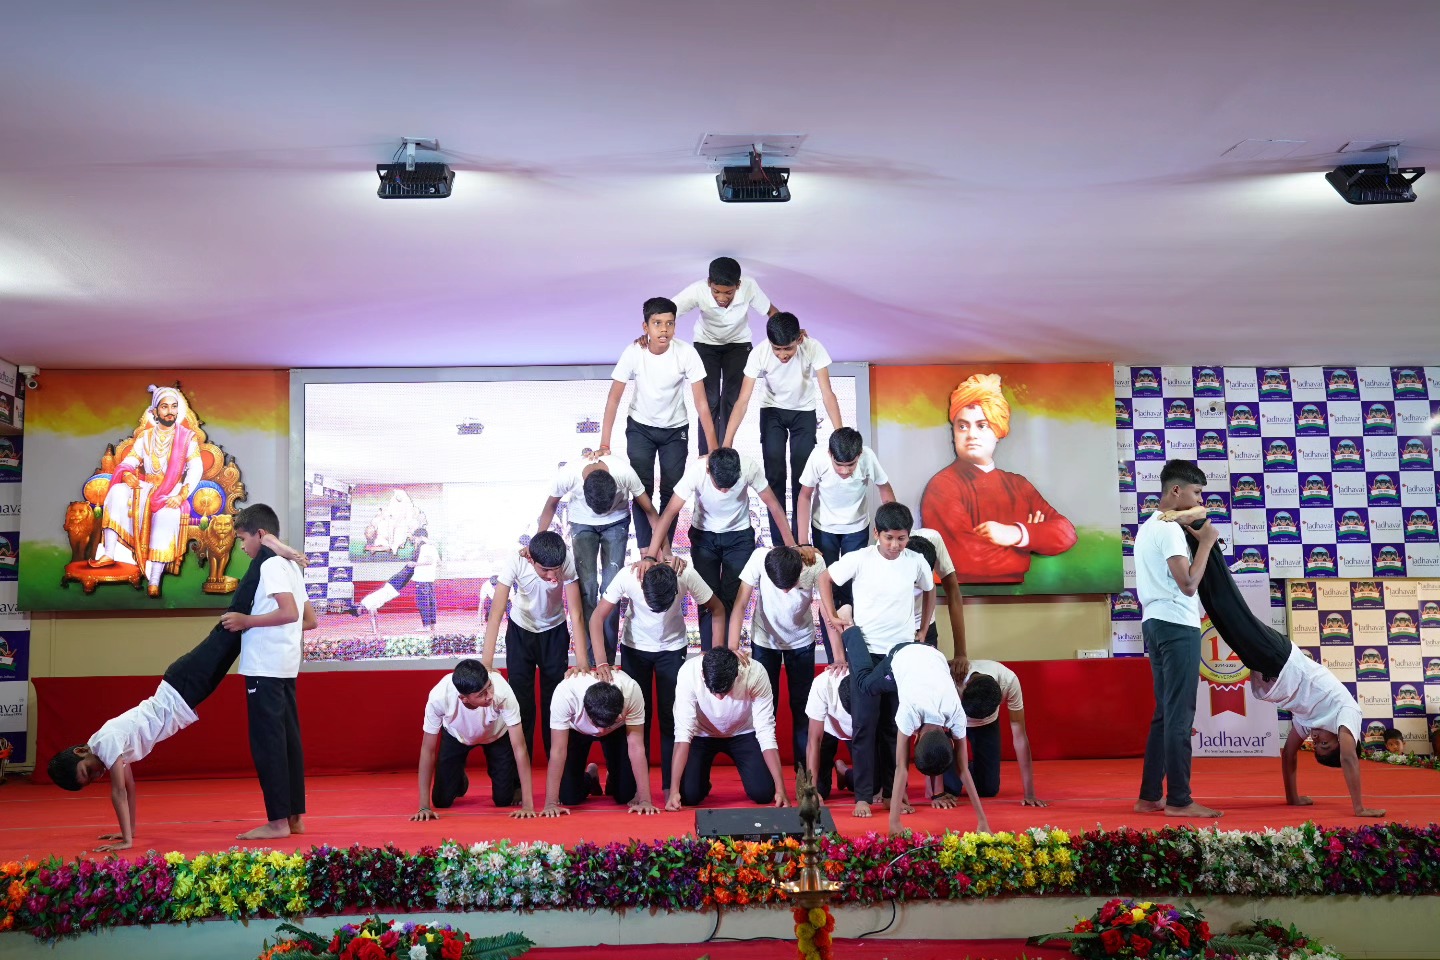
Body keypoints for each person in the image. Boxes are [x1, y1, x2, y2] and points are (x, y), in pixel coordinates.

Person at [45, 530, 308, 851]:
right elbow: (129, 789)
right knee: (235, 632)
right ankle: (267, 553)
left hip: (181, 686)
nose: (96, 775)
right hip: (185, 692)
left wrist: (126, 841)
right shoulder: (109, 749)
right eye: (90, 781)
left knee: (231, 624)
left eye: (87, 772)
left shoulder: (104, 743)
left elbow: (119, 792)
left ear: (80, 752)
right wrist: (129, 833)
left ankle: (267, 548)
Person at [1156, 505, 1385, 818]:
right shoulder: (1347, 713)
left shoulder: (1310, 723)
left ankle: (1193, 537)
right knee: (1228, 605)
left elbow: (1288, 754)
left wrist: (1293, 798)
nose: (1317, 741)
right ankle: (1202, 528)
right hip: (1279, 657)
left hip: (1267, 665)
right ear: (1345, 739)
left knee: (1218, 610)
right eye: (1325, 744)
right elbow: (1348, 757)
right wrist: (1359, 807)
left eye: (1317, 746)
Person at [819, 502, 934, 817]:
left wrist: (924, 628)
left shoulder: (916, 562)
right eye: (889, 538)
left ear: (908, 536)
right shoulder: (859, 559)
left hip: (900, 654)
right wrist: (831, 615)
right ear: (876, 534)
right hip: (865, 653)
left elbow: (930, 590)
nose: (895, 545)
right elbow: (824, 579)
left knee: (895, 728)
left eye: (901, 538)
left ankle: (893, 794)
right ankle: (863, 796)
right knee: (864, 725)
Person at [919, 373, 1077, 585]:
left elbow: (1066, 533)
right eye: (962, 426)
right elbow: (962, 560)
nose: (971, 434)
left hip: (1018, 599)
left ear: (998, 430)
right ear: (954, 433)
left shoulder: (1019, 485)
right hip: (958, 597)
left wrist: (1015, 534)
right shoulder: (942, 486)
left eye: (982, 425)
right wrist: (1027, 549)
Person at [588, 559, 727, 793]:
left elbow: (718, 609)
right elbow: (596, 618)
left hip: (672, 649)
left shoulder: (685, 574)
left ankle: (670, 785)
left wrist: (715, 655)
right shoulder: (630, 576)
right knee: (635, 717)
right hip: (634, 649)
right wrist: (601, 660)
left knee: (671, 717)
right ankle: (630, 783)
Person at [1132, 460, 1222, 819]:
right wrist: (1207, 543)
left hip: (1154, 624)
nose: (1200, 500)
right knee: (1180, 716)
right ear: (1176, 490)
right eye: (1196, 492)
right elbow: (1187, 585)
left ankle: (1149, 797)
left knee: (1165, 713)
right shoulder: (1169, 530)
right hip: (1176, 625)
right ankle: (1180, 800)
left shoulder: (1147, 527)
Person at [219, 504, 315, 840]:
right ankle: (294, 819)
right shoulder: (289, 565)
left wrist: (247, 621)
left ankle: (277, 823)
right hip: (284, 665)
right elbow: (310, 620)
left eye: (242, 539)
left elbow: (289, 613)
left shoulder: (271, 564)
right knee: (288, 743)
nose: (242, 547)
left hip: (265, 667)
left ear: (260, 535)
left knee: (269, 746)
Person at [644, 448, 796, 650]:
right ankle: (709, 654)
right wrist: (650, 557)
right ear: (709, 470)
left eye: (729, 487)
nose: (725, 492)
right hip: (704, 537)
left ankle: (728, 653)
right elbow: (669, 513)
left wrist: (792, 547)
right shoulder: (698, 471)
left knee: (732, 597)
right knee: (707, 597)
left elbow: (774, 505)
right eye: (720, 487)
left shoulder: (748, 466)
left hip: (739, 537)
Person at [596, 297, 718, 549]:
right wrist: (604, 444)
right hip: (640, 428)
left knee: (672, 492)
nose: (664, 329)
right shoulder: (634, 352)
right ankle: (645, 550)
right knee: (642, 489)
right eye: (657, 323)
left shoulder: (686, 353)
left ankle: (664, 549)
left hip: (675, 430)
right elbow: (614, 398)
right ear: (646, 327)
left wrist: (713, 450)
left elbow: (702, 404)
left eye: (669, 323)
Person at [846, 638, 991, 836]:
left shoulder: (956, 712)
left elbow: (962, 769)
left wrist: (983, 821)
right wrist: (893, 822)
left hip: (931, 650)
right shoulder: (911, 711)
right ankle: (850, 631)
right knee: (865, 685)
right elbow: (902, 768)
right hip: (900, 652)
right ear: (916, 739)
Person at [723, 312, 844, 546]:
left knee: (803, 479)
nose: (782, 355)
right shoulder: (759, 353)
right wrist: (727, 443)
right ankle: (781, 545)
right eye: (776, 349)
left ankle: (801, 542)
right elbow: (742, 401)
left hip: (803, 412)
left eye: (787, 348)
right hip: (772, 411)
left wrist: (840, 434)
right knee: (775, 477)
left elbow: (828, 393)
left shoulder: (813, 347)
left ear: (799, 339)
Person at [536, 454, 660, 667]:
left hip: (617, 523)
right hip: (582, 524)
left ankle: (606, 662)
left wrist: (663, 551)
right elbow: (550, 506)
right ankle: (589, 662)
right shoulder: (568, 475)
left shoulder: (624, 473)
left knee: (612, 590)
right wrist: (537, 544)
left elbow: (649, 510)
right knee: (587, 589)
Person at [480, 531, 588, 761]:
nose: (552, 575)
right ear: (530, 559)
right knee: (521, 703)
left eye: (556, 569)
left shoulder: (565, 559)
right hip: (521, 632)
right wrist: (486, 665)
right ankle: (521, 770)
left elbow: (576, 614)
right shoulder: (516, 561)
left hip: (554, 632)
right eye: (545, 570)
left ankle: (557, 767)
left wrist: (582, 663)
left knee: (555, 702)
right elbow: (496, 613)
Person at [90, 385, 204, 596]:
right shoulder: (146, 437)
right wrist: (127, 474)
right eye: (165, 407)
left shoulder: (187, 438)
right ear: (155, 411)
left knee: (166, 515)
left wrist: (181, 496)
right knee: (117, 492)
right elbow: (131, 460)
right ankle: (109, 553)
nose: (170, 411)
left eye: (174, 407)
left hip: (171, 491)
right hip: (147, 487)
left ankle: (154, 580)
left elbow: (196, 468)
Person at [797, 427, 896, 659]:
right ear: (830, 454)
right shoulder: (817, 458)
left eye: (850, 465)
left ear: (859, 455)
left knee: (854, 591)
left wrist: (892, 529)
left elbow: (885, 489)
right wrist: (803, 543)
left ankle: (856, 656)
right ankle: (835, 657)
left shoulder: (868, 458)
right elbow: (804, 496)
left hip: (857, 529)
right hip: (824, 529)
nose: (844, 471)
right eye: (839, 465)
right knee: (828, 593)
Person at [729, 545, 828, 767]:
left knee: (803, 707)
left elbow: (826, 609)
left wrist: (838, 656)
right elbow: (741, 603)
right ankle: (765, 770)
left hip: (802, 641)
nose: (785, 592)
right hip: (765, 640)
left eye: (791, 586)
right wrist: (733, 646)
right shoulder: (760, 557)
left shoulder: (814, 563)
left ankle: (805, 772)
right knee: (765, 706)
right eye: (779, 587)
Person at [672, 256, 779, 453]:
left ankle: (724, 453)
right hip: (706, 344)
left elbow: (771, 312)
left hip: (738, 344)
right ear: (709, 283)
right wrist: (649, 334)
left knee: (732, 399)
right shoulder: (698, 289)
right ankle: (707, 455)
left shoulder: (749, 286)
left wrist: (790, 332)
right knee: (709, 399)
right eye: (716, 291)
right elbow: (668, 310)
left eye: (728, 292)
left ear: (738, 285)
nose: (721, 298)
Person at [410, 659, 536, 821]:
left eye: (489, 686)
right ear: (464, 698)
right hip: (457, 735)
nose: (490, 696)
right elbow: (427, 750)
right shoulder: (439, 697)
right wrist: (424, 807)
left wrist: (528, 805)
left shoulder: (503, 692)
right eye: (481, 694)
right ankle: (459, 779)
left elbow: (520, 748)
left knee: (504, 800)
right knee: (441, 801)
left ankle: (506, 780)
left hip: (496, 735)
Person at [668, 648, 791, 809]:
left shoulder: (755, 672)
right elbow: (682, 734)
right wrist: (673, 791)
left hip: (743, 732)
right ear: (703, 675)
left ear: (736, 675)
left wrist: (781, 789)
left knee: (764, 794)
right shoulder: (689, 672)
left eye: (725, 692)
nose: (720, 698)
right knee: (689, 796)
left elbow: (766, 731)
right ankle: (701, 781)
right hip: (702, 734)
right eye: (714, 692)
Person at [541, 670, 658, 816]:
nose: (601, 731)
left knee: (626, 795)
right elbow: (558, 750)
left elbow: (636, 747)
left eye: (606, 725)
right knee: (569, 796)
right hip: (576, 730)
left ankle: (613, 776)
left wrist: (645, 800)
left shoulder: (631, 691)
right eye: (596, 724)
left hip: (617, 731)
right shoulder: (566, 694)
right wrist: (550, 803)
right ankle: (591, 776)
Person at [936, 657, 1047, 806]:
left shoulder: (1009, 681)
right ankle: (954, 773)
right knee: (951, 790)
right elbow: (931, 730)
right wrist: (937, 793)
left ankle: (970, 768)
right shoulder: (947, 678)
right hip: (950, 723)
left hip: (987, 725)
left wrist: (1030, 793)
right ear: (964, 687)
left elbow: (1020, 736)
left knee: (988, 789)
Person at [904, 534, 965, 653]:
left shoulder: (933, 539)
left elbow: (952, 592)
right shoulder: (886, 549)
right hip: (895, 626)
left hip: (924, 623)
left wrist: (960, 654)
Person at [803, 670, 854, 801]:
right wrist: (811, 789)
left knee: (873, 787)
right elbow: (814, 740)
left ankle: (844, 773)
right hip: (828, 730)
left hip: (861, 734)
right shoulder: (823, 684)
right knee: (821, 790)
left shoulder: (872, 687)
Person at [411, 528, 440, 635]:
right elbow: (439, 563)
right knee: (431, 602)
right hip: (430, 579)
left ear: (421, 537)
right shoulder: (433, 547)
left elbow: (429, 561)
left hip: (422, 579)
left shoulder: (424, 547)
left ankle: (426, 626)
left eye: (416, 538)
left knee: (423, 603)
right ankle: (432, 625)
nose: (415, 541)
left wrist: (415, 564)